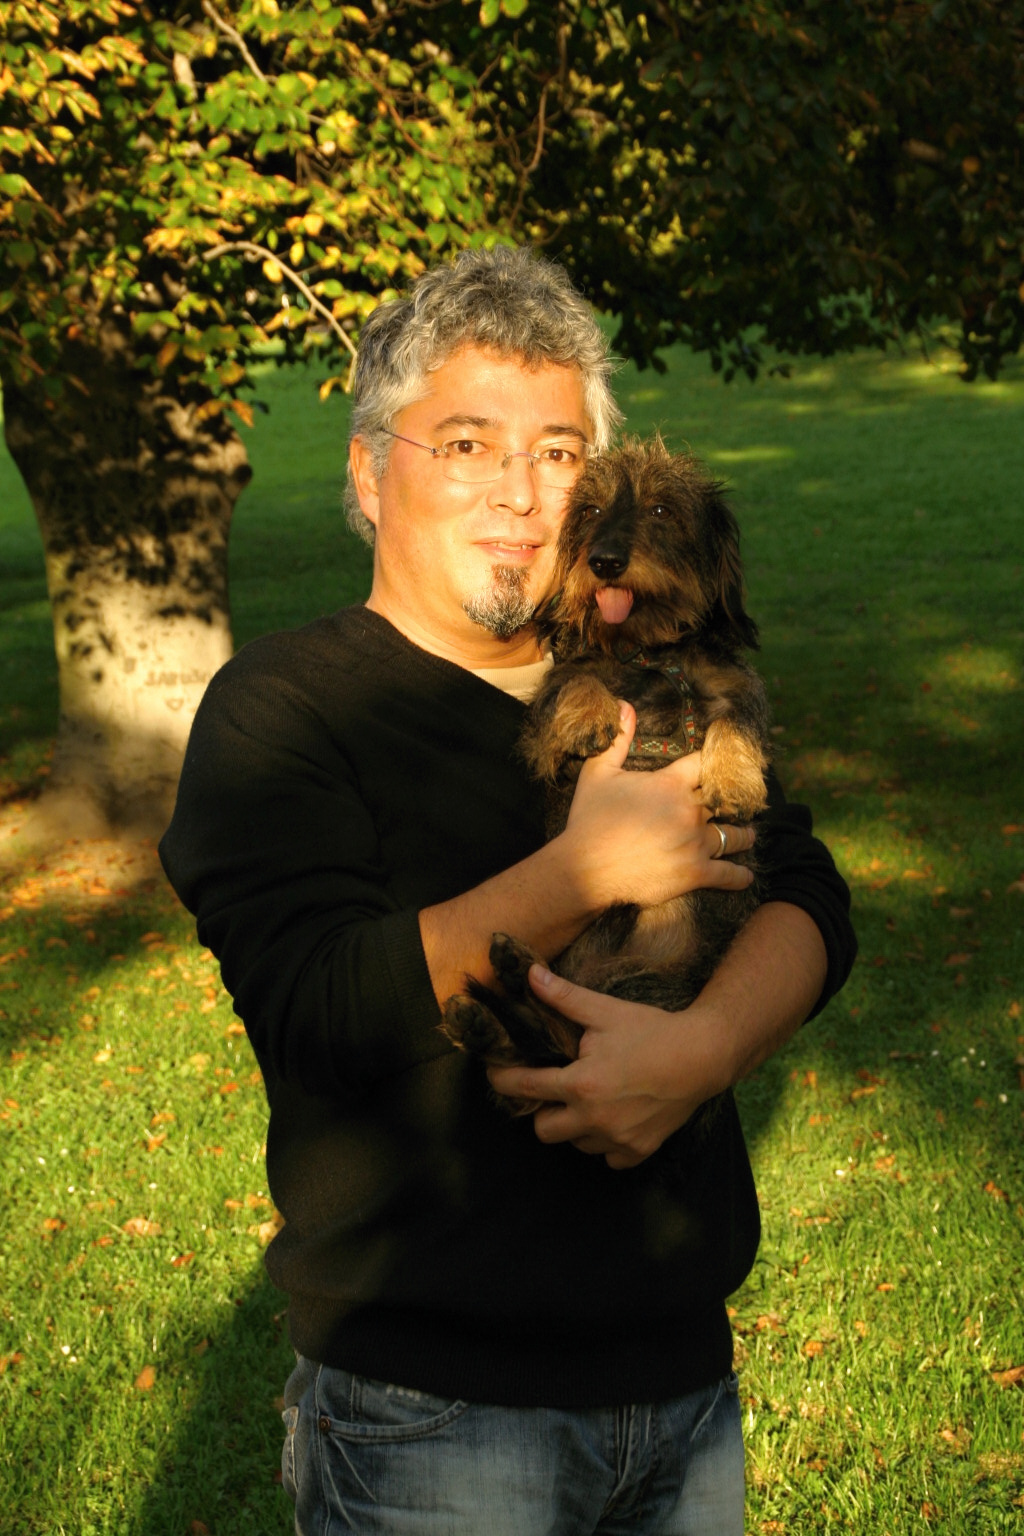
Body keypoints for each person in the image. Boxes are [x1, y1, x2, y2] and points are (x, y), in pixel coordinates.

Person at [159, 245, 856, 1535]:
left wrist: (707, 1045)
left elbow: (807, 890)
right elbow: (318, 1007)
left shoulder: (654, 669)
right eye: (469, 444)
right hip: (433, 1412)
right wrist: (584, 873)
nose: (523, 495)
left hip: (683, 1379)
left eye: (559, 452)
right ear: (369, 472)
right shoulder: (285, 709)